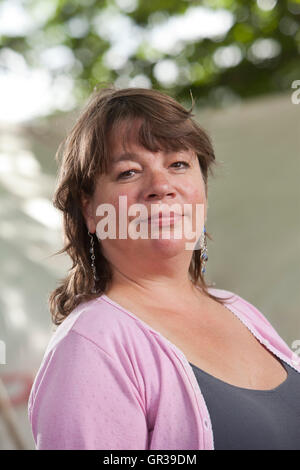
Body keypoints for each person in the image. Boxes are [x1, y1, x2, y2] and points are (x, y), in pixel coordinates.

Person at [28, 85, 300, 450]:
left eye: (178, 164)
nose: (161, 186)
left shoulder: (240, 311)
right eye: (127, 172)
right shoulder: (91, 347)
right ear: (90, 209)